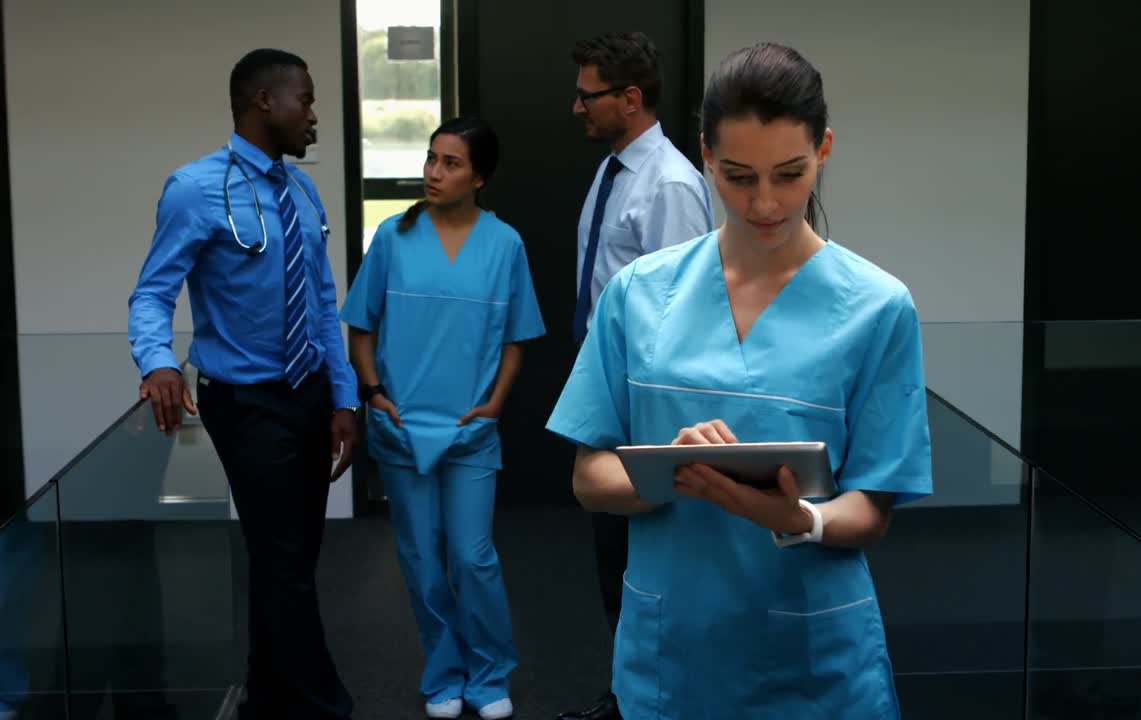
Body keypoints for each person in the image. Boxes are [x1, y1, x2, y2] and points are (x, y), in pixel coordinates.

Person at [546, 42, 933, 718]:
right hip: (676, 648)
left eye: (789, 174)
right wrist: (673, 468)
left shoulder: (877, 308)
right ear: (705, 156)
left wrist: (801, 518)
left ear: (824, 150)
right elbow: (589, 477)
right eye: (737, 176)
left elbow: (872, 508)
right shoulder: (638, 293)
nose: (764, 202)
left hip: (815, 655)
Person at [128, 48, 356, 719]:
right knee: (283, 559)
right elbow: (152, 293)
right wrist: (157, 362)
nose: (313, 116)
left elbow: (322, 303)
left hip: (310, 393)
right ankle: (324, 708)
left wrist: (343, 396)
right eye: (304, 100)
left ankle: (267, 701)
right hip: (246, 402)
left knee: (289, 561)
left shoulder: (302, 192)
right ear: (264, 102)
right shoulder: (195, 188)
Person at [340, 116, 545, 720]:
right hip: (402, 426)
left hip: (469, 429)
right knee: (422, 559)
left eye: (450, 163)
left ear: (479, 177)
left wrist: (496, 403)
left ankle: (488, 673)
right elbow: (361, 326)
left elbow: (516, 338)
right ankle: (443, 672)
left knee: (473, 557)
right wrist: (373, 392)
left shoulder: (504, 245)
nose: (433, 172)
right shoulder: (393, 237)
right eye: (431, 158)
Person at [561, 31, 714, 720]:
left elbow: (681, 318)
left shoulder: (671, 184)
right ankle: (629, 696)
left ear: (629, 98)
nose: (576, 107)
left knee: (642, 562)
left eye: (587, 95)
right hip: (609, 391)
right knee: (614, 560)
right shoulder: (615, 170)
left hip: (644, 402)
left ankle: (652, 700)